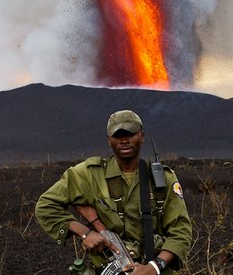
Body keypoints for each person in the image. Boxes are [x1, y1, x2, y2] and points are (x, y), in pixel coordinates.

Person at [35, 110, 192, 274]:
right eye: (118, 135)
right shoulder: (88, 174)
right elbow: (46, 205)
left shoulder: (162, 179)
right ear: (109, 140)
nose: (124, 140)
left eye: (130, 134)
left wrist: (154, 267)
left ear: (142, 136)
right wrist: (86, 233)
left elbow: (181, 231)